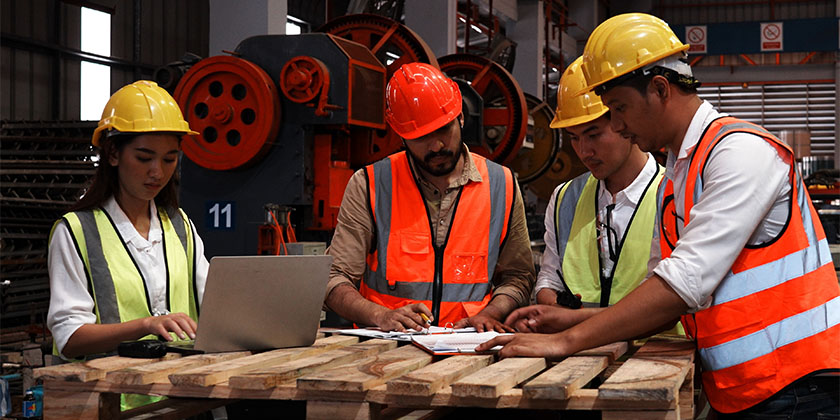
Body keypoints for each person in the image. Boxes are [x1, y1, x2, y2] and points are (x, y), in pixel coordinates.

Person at [480, 13, 839, 418]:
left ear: (659, 89)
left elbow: (683, 283)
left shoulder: (740, 154)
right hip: (747, 387)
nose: (618, 125)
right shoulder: (679, 175)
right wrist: (571, 318)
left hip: (797, 388)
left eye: (619, 108)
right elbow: (661, 293)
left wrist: (567, 341)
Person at [324, 62, 535, 332]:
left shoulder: (501, 184)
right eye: (421, 137)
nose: (436, 146)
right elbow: (333, 278)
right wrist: (381, 316)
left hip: (470, 347)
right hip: (384, 352)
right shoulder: (371, 185)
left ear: (460, 117)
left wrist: (490, 314)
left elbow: (518, 277)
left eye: (443, 130)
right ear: (401, 137)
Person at [47, 81, 209, 410]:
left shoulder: (180, 227)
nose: (157, 171)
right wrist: (145, 325)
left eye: (169, 159)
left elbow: (215, 308)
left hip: (179, 400)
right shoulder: (76, 232)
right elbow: (69, 337)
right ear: (112, 153)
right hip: (110, 406)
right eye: (144, 157)